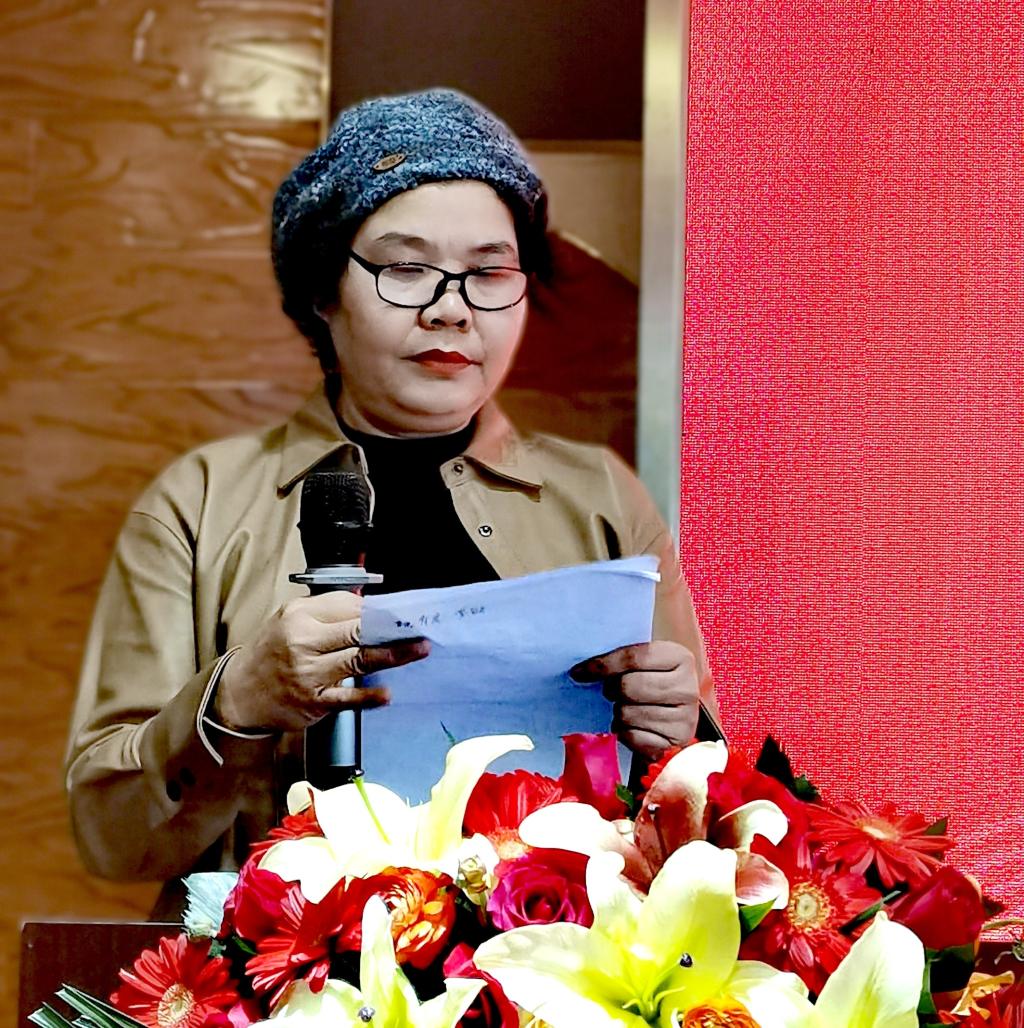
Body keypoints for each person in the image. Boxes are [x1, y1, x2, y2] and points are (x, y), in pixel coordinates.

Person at [65, 89, 723, 896]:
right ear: (322, 291)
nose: (452, 309)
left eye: (489, 273)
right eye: (407, 269)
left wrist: (676, 737)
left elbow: (705, 825)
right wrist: (232, 702)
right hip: (272, 964)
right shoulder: (197, 504)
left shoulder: (601, 496)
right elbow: (109, 838)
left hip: (542, 962)